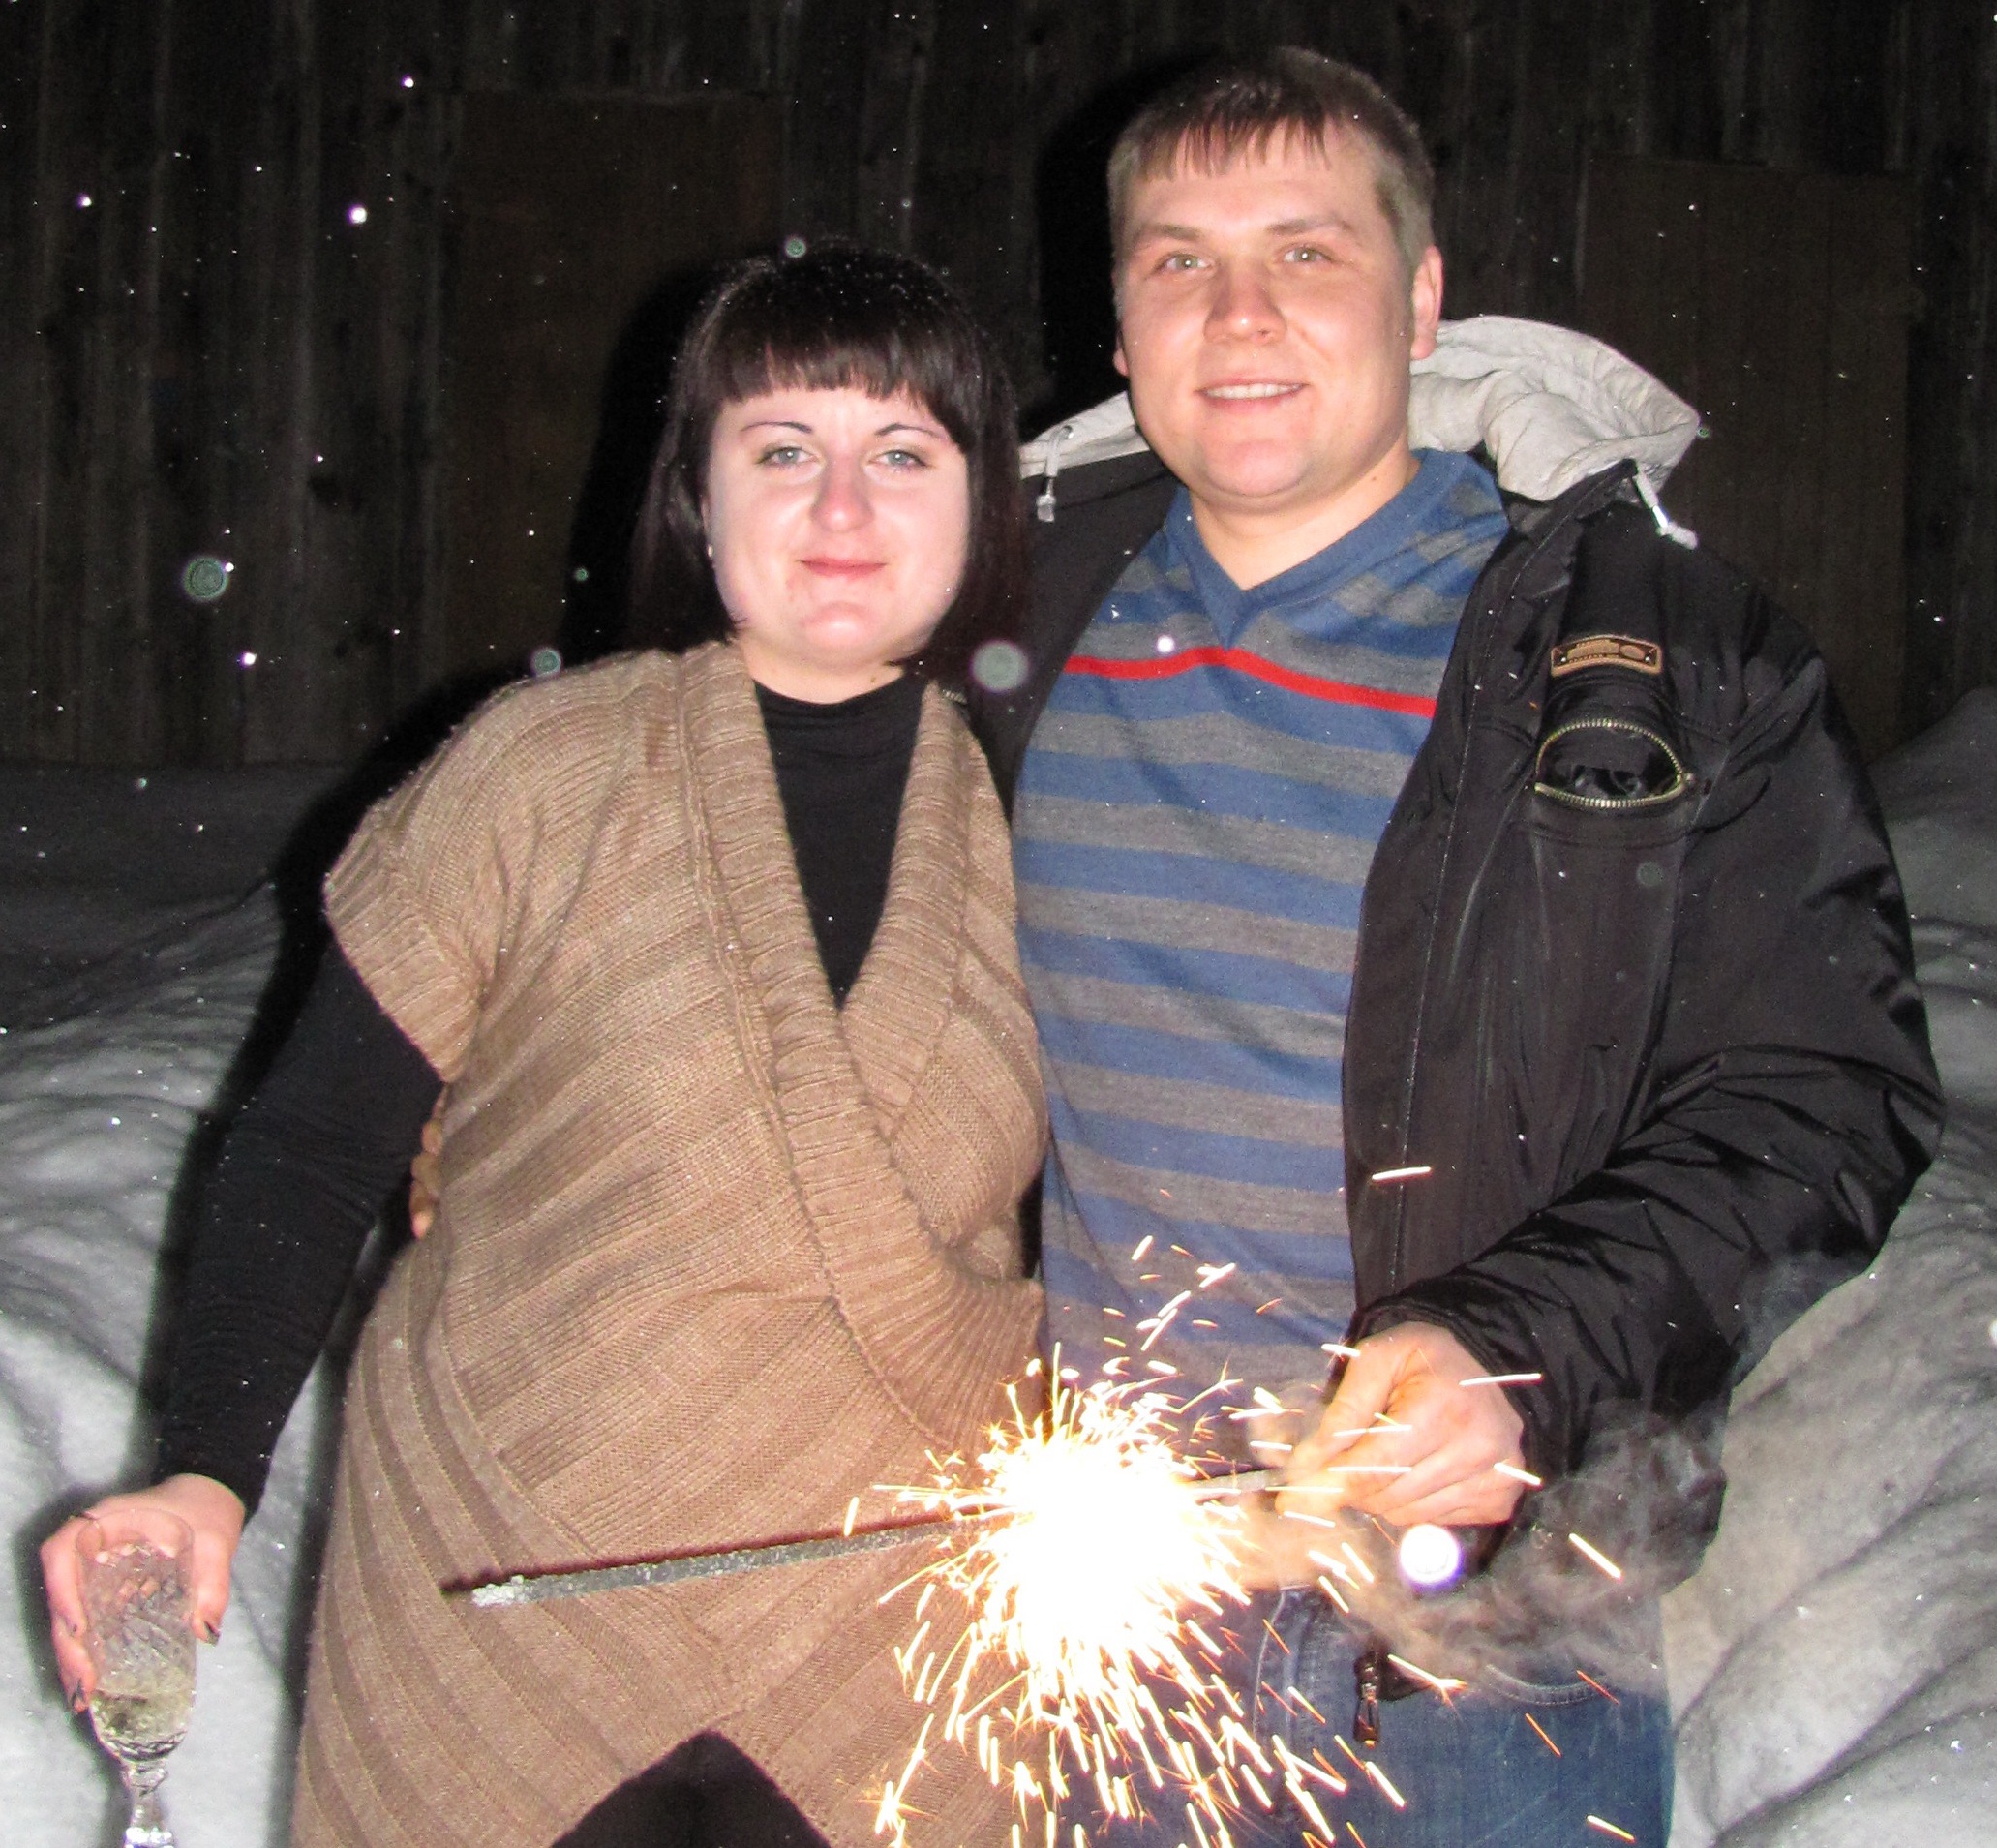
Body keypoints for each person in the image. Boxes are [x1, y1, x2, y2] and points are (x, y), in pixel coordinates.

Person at [970, 49, 1943, 1846]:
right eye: (1181, 261)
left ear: (1422, 301)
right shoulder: (1003, 627)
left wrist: (1519, 1352)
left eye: (1306, 251)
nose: (1240, 313)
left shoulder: (1643, 655)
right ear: (1118, 321)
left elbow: (1823, 1091)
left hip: (1492, 1657)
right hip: (1113, 1620)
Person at [44, 243, 1048, 1848]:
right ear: (699, 495)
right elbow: (311, 1147)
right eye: (783, 448)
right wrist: (203, 1469)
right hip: (506, 1585)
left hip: (908, 1626)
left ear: (984, 500)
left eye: (903, 452)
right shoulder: (539, 773)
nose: (841, 506)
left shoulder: (1044, 821)